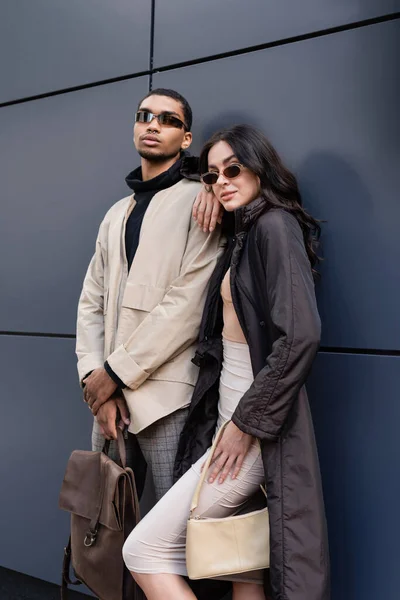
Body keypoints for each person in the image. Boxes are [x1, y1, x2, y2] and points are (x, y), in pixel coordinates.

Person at [122, 124, 330, 600]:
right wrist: (213, 191)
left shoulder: (275, 227)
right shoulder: (249, 231)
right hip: (232, 426)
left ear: (260, 167)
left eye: (234, 169)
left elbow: (300, 336)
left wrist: (246, 424)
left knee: (144, 552)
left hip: (251, 432)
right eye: (212, 175)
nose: (222, 181)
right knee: (243, 564)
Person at [76, 88, 224, 500]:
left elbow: (188, 306)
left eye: (168, 119)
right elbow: (91, 303)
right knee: (103, 527)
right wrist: (94, 381)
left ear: (187, 138)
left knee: (173, 533)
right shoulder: (115, 214)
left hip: (167, 401)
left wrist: (115, 374)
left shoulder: (201, 201)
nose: (153, 125)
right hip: (106, 398)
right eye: (144, 116)